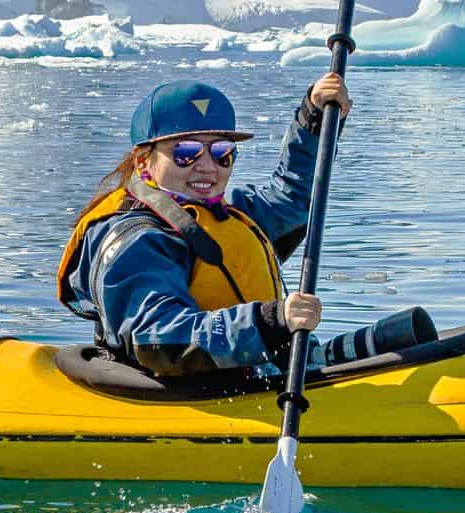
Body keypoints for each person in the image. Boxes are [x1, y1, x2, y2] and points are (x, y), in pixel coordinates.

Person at [58, 74, 350, 377]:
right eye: (186, 153)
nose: (208, 166)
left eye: (222, 153)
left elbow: (295, 198)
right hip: (182, 393)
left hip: (261, 376)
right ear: (143, 160)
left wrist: (315, 119)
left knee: (387, 339)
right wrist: (269, 322)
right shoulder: (134, 238)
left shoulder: (229, 214)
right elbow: (158, 338)